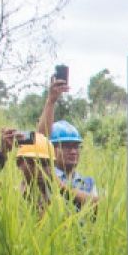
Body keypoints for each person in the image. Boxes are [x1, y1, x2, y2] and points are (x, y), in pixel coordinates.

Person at [38, 76, 99, 210]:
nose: (73, 151)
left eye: (76, 147)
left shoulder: (87, 182)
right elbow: (40, 141)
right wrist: (51, 101)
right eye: (66, 147)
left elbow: (95, 205)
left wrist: (60, 186)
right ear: (52, 149)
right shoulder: (43, 175)